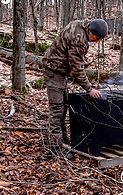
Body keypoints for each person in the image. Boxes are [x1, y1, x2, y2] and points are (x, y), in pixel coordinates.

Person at [42, 19, 108, 158]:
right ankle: (56, 149)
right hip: (54, 70)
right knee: (57, 110)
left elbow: (72, 56)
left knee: (64, 106)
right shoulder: (79, 39)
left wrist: (81, 60)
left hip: (60, 69)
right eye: (96, 38)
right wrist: (89, 89)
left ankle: (64, 142)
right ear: (90, 31)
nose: (96, 41)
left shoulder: (80, 24)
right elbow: (76, 69)